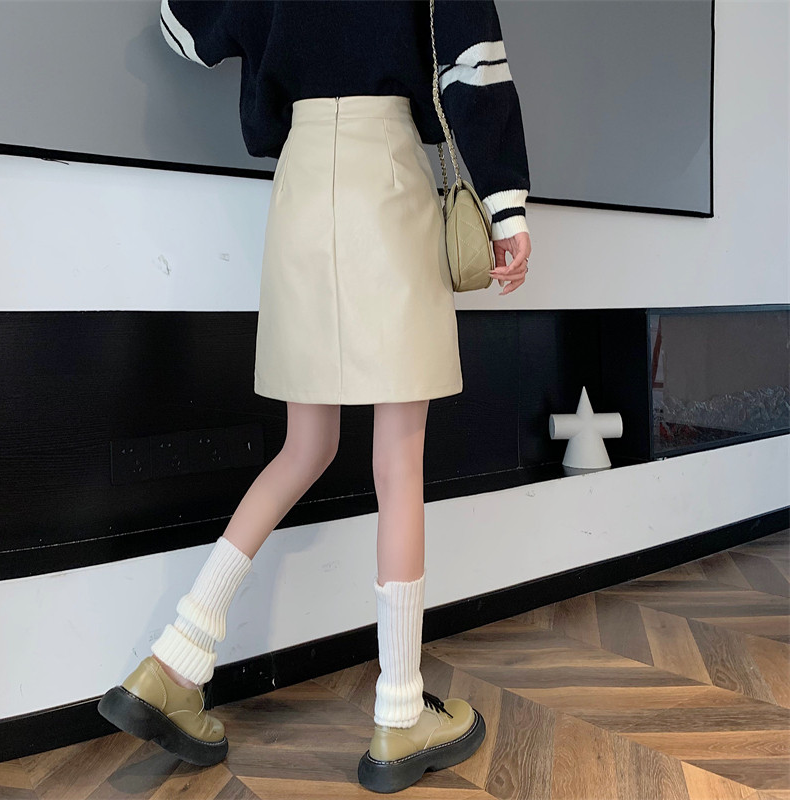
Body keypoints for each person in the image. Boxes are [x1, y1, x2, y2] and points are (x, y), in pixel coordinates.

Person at [98, 0, 532, 793]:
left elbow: (184, 29)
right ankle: (400, 711)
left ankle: (176, 659)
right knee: (398, 460)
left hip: (302, 182)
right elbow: (473, 67)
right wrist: (506, 209)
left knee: (306, 446)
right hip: (387, 179)